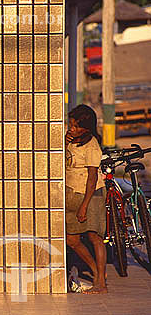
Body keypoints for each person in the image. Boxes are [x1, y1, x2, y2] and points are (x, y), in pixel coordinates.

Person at [65, 104, 107, 294]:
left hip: (91, 195)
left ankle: (101, 284)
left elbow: (92, 177)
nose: (71, 128)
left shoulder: (92, 146)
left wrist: (84, 206)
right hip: (72, 192)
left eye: (75, 126)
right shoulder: (71, 141)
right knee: (71, 239)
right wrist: (65, 143)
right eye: (70, 124)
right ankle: (95, 271)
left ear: (86, 128)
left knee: (94, 237)